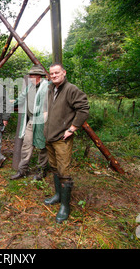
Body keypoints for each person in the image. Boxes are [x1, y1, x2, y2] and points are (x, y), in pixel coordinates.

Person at [44, 63, 89, 223]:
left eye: (57, 73)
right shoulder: (50, 89)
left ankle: (65, 206)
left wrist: (72, 128)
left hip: (62, 139)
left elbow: (83, 108)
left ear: (64, 72)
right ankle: (57, 195)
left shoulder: (71, 89)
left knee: (64, 172)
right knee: (54, 167)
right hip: (50, 136)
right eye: (51, 73)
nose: (54, 75)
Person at [10, 65, 49, 180]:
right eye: (30, 75)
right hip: (31, 121)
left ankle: (41, 171)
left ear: (39, 76)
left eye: (32, 75)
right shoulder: (29, 88)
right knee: (26, 145)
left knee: (42, 147)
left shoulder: (47, 87)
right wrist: (7, 104)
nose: (30, 77)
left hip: (43, 122)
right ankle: (22, 170)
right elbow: (20, 99)